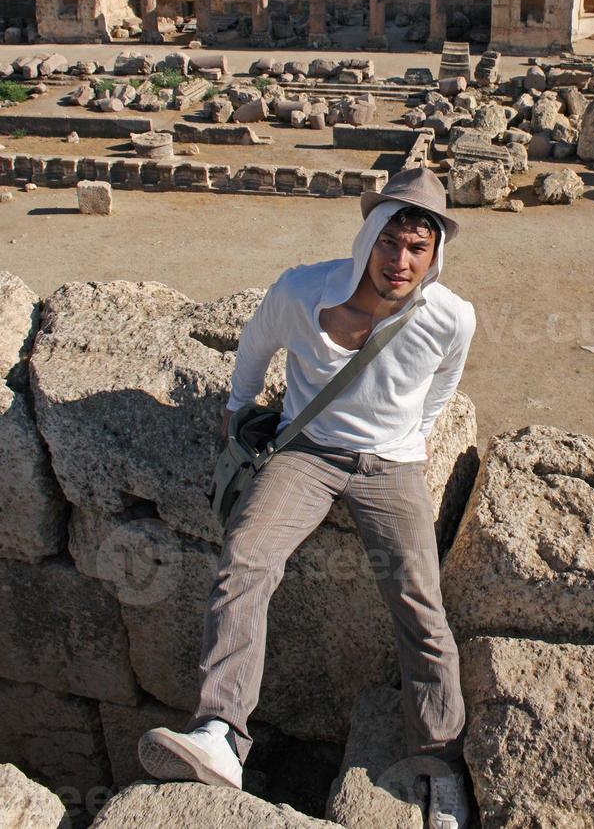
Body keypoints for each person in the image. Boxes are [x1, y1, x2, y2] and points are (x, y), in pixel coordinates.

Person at [138, 167, 476, 829]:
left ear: (435, 254)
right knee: (245, 561)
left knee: (419, 602)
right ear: (369, 236)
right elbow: (255, 347)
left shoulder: (451, 318)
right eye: (390, 242)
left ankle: (437, 765)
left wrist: (419, 435)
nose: (400, 261)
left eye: (417, 249)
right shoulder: (299, 290)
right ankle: (219, 734)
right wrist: (237, 409)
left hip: (391, 466)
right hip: (306, 452)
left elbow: (441, 386)